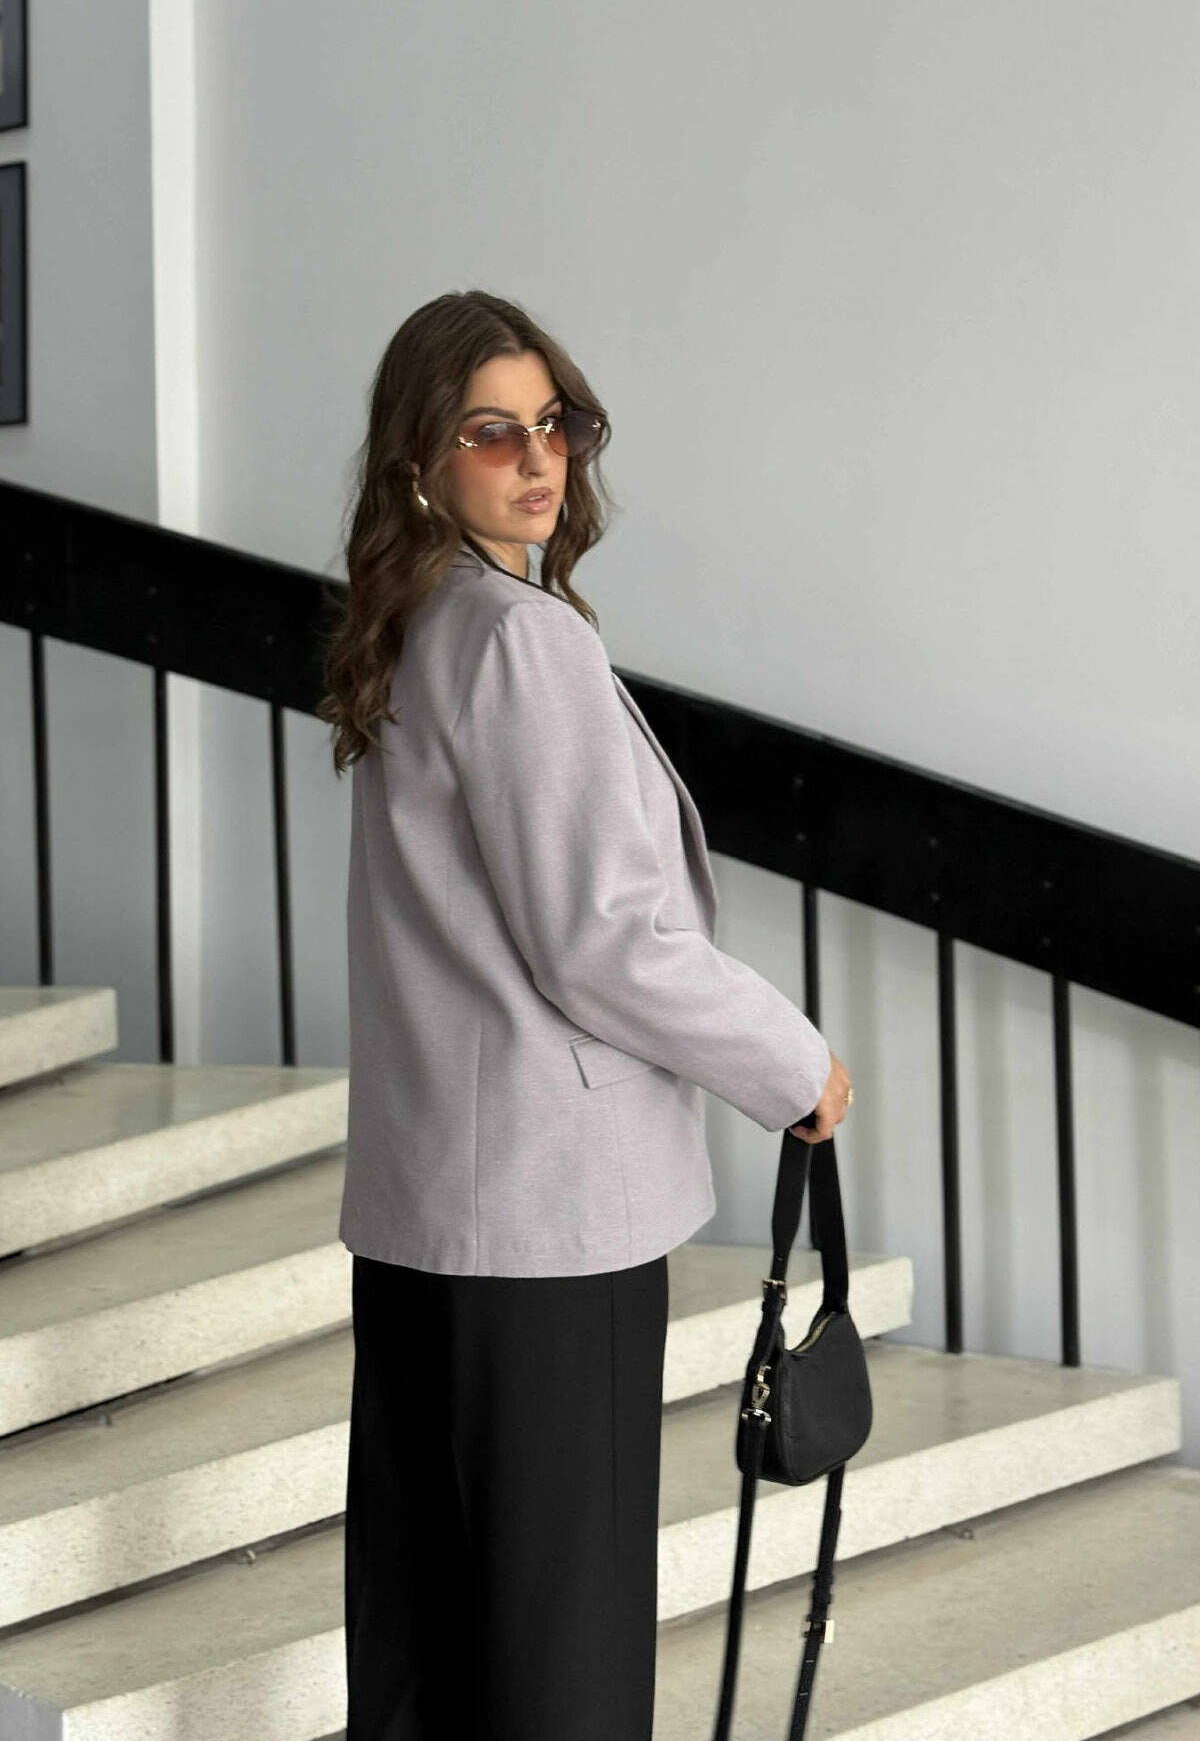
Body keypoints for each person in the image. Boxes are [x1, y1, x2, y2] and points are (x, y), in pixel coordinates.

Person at [317, 289, 853, 1741]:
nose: (538, 458)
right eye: (492, 432)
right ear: (421, 460)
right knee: (562, 1653)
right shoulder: (518, 639)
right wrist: (792, 1061)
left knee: (428, 1639)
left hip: (429, 1219)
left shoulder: (412, 624)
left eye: (553, 424)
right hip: (548, 1225)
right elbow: (601, 942)